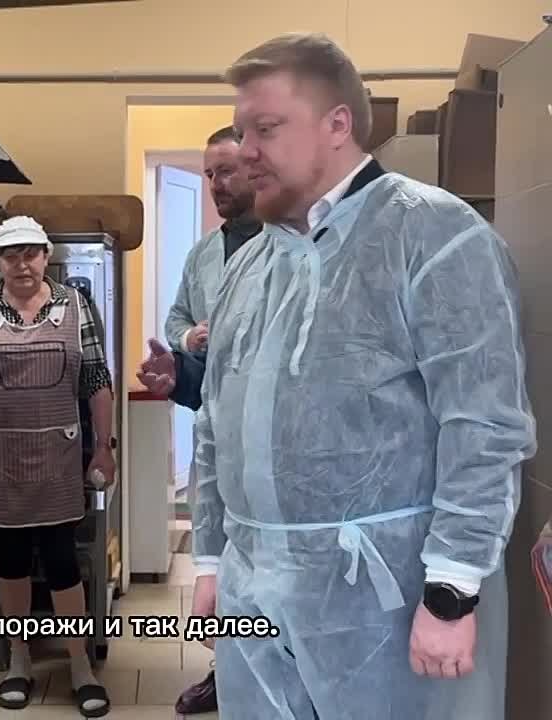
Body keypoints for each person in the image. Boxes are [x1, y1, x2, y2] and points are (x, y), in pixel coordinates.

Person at [189, 33, 536, 720]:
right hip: (253, 592)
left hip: (389, 602)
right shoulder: (250, 266)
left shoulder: (436, 237)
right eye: (241, 131)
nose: (246, 150)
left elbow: (485, 427)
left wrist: (452, 591)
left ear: (337, 124)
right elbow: (214, 421)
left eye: (266, 128)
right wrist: (209, 561)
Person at [0, 215, 116, 718]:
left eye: (31, 253)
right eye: (11, 255)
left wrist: (105, 447)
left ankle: (80, 664)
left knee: (61, 560)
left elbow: (97, 380)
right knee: (11, 558)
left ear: (46, 256)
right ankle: (18, 658)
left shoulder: (75, 305)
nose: (23, 264)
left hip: (58, 456)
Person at [162, 124, 260, 715]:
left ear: (255, 166)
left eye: (226, 171)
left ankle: (267, 676)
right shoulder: (203, 253)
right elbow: (176, 316)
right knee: (217, 556)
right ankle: (226, 672)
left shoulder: (285, 243)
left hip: (268, 430)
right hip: (215, 424)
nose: (216, 184)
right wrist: (186, 340)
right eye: (208, 174)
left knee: (259, 564)